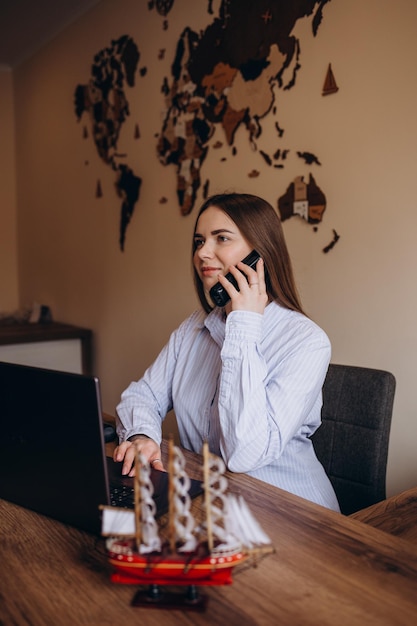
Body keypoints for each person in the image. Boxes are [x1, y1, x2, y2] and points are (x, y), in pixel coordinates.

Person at [114, 193, 340, 511]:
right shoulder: (194, 328)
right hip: (211, 502)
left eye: (221, 238)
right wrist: (141, 436)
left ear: (260, 254)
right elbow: (143, 396)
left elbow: (244, 454)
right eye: (199, 240)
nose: (203, 252)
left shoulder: (306, 341)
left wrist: (244, 324)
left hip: (291, 514)